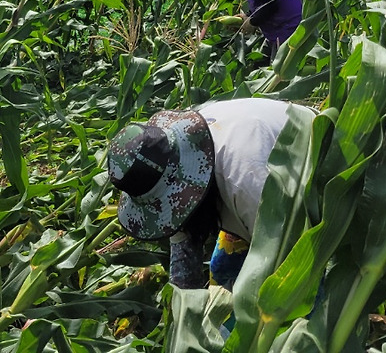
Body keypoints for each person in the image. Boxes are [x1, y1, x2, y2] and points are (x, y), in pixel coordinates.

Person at [106, 98, 294, 290]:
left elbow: (293, 258)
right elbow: (184, 257)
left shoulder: (247, 185)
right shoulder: (176, 152)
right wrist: (184, 303)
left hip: (298, 204)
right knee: (222, 270)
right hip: (262, 203)